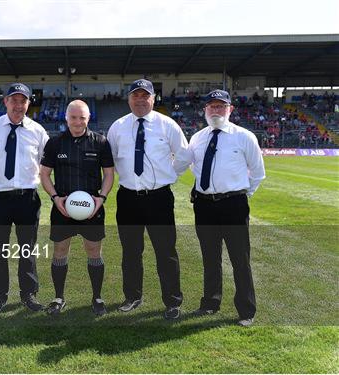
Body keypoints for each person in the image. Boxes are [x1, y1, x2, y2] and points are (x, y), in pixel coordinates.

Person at [176, 89, 265, 327]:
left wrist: (242, 195)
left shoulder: (244, 136)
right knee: (210, 257)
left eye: (221, 106)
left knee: (240, 258)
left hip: (233, 205)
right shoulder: (197, 138)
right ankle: (210, 302)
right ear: (205, 110)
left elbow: (258, 172)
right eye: (212, 106)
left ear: (230, 110)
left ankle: (246, 310)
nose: (216, 110)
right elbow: (186, 165)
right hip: (204, 205)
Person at [107, 79, 188, 320]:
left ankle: (172, 302)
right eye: (136, 96)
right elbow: (108, 160)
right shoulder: (117, 127)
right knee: (131, 251)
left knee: (166, 251)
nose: (140, 100)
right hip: (129, 198)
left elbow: (184, 155)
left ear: (153, 98)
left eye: (145, 96)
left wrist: (170, 175)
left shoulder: (167, 125)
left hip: (159, 199)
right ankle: (132, 297)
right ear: (129, 99)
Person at [0, 83, 49, 314]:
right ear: (5, 101)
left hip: (27, 199)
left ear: (28, 103)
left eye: (23, 101)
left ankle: (28, 294)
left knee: (27, 248)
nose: (18, 105)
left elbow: (44, 162)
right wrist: (2, 181)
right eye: (14, 100)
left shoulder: (37, 131)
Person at [39, 100, 114, 316]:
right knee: (60, 251)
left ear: (88, 118)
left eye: (82, 117)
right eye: (73, 117)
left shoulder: (100, 142)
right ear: (66, 117)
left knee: (94, 251)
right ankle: (58, 297)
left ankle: (97, 298)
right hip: (62, 209)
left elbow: (109, 174)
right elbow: (44, 174)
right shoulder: (54, 143)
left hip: (92, 209)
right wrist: (55, 198)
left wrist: (101, 198)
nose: (78, 121)